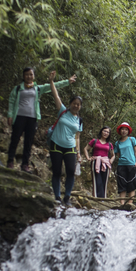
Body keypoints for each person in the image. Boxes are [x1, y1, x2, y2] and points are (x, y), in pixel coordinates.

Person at [6, 67, 76, 172]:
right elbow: (11, 101)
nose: (29, 76)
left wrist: (67, 81)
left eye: (31, 74)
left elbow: (53, 86)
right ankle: (10, 161)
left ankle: (25, 164)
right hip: (19, 117)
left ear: (34, 76)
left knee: (28, 142)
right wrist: (10, 115)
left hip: (32, 119)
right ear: (23, 76)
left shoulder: (38, 88)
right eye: (27, 74)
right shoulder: (17, 89)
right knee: (15, 139)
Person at [47, 71, 83, 206]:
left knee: (70, 173)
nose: (76, 105)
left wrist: (78, 152)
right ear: (70, 104)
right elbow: (55, 95)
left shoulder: (79, 120)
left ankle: (67, 197)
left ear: (80, 107)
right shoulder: (62, 111)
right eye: (74, 103)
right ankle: (57, 197)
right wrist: (51, 81)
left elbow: (77, 137)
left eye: (78, 104)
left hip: (71, 148)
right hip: (56, 145)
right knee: (56, 172)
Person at [84, 127, 115, 199]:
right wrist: (88, 158)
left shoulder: (110, 144)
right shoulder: (94, 141)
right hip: (96, 162)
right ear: (101, 131)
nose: (106, 133)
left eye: (108, 132)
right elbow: (85, 149)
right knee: (97, 180)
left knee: (104, 181)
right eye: (105, 131)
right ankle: (96, 198)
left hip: (105, 163)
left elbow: (113, 155)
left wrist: (111, 161)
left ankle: (103, 199)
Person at [114, 122, 136, 206]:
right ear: (120, 131)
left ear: (128, 131)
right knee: (122, 184)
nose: (124, 131)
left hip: (131, 164)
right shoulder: (117, 143)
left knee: (131, 184)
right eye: (122, 129)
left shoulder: (132, 139)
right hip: (121, 165)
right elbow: (118, 154)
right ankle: (122, 204)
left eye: (125, 129)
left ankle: (130, 203)